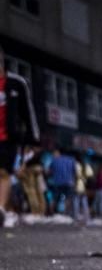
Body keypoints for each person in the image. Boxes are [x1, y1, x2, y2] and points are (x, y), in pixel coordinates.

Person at [0, 44, 41, 226]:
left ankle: (0, 209)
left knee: (3, 173)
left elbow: (28, 112)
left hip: (8, 138)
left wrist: (33, 138)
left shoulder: (16, 83)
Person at [47, 148, 76, 218]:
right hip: (69, 182)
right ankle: (66, 214)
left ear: (59, 152)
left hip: (57, 182)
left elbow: (49, 172)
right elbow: (74, 172)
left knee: (54, 198)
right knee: (68, 198)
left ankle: (51, 213)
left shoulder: (54, 160)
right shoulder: (71, 160)